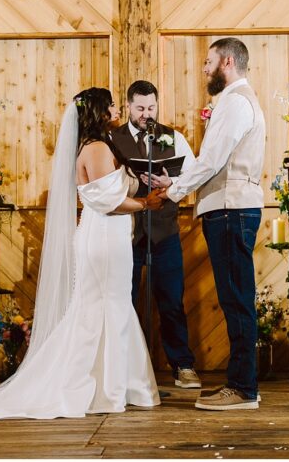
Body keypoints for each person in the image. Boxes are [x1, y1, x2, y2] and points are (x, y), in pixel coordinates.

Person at [0, 88, 163, 420]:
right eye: (112, 104)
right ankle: (106, 388)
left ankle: (118, 385)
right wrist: (147, 203)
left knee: (110, 303)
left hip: (108, 236)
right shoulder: (98, 148)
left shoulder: (97, 146)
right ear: (100, 111)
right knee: (103, 305)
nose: (117, 108)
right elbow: (110, 202)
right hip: (104, 237)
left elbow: (112, 193)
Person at [159, 38, 266, 411]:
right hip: (230, 208)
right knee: (236, 298)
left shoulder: (235, 102)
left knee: (236, 299)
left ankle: (241, 389)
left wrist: (173, 190)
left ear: (228, 61)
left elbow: (211, 160)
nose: (204, 68)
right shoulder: (237, 100)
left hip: (230, 210)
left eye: (209, 61)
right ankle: (243, 383)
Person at [110, 80, 201, 389]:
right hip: (125, 233)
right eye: (139, 108)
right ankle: (124, 366)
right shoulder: (112, 139)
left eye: (151, 108)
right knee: (125, 298)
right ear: (128, 106)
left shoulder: (173, 137)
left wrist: (169, 183)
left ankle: (183, 365)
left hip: (165, 232)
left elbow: (195, 174)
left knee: (171, 299)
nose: (146, 114)